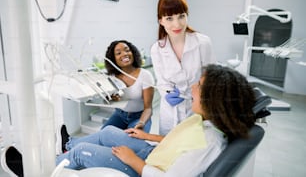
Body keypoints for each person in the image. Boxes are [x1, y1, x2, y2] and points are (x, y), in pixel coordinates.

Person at [55, 64, 256, 177]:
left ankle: (36, 170)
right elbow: (179, 143)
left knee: (82, 153)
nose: (193, 87)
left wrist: (132, 159)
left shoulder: (209, 141)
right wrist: (146, 136)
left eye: (200, 86)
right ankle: (67, 146)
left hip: (145, 169)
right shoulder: (204, 121)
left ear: (215, 101)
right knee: (108, 133)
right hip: (153, 154)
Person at [56, 40, 155, 154]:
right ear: (113, 59)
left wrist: (141, 123)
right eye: (118, 53)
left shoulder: (145, 75)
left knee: (132, 142)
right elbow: (108, 99)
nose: (124, 54)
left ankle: (69, 145)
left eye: (127, 50)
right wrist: (111, 98)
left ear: (133, 52)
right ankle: (69, 146)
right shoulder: (112, 76)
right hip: (120, 115)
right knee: (102, 137)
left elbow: (148, 108)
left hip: (140, 116)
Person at [150, 0, 216, 135]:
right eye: (169, 18)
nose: (177, 24)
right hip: (170, 111)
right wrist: (167, 93)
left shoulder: (202, 43)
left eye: (181, 16)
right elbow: (161, 81)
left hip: (198, 109)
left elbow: (211, 77)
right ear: (160, 20)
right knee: (168, 149)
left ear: (187, 15)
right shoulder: (157, 49)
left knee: (194, 150)